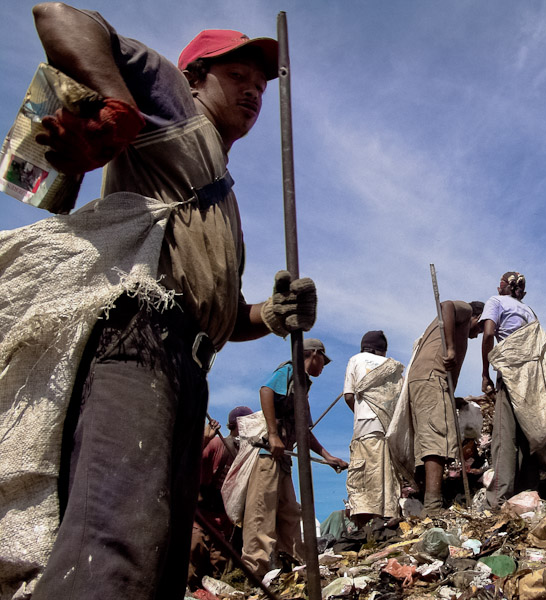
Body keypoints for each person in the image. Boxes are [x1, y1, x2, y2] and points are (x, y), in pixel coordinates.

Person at [1, 6, 319, 599]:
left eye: (260, 85)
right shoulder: (172, 105)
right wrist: (118, 105)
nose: (252, 92)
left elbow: (216, 314)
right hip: (137, 343)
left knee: (156, 564)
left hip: (185, 364)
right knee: (115, 546)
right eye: (237, 76)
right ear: (195, 76)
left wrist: (271, 316)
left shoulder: (220, 190)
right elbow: (62, 16)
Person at [241, 339, 348, 578]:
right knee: (262, 514)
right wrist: (272, 434)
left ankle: (295, 567)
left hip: (283, 460)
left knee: (290, 513)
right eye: (323, 360)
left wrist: (328, 457)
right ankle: (253, 574)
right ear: (313, 354)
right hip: (267, 456)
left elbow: (303, 431)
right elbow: (266, 390)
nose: (324, 366)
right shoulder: (289, 371)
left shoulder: (303, 386)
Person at [406, 301, 485, 514]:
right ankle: (432, 507)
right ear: (476, 317)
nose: (477, 335)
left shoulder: (456, 328)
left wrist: (452, 398)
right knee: (436, 439)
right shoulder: (466, 310)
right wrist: (450, 348)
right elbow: (446, 305)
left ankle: (426, 502)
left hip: (427, 380)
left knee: (427, 440)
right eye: (479, 327)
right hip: (433, 377)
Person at [480, 271, 540, 509]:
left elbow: (488, 333)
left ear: (502, 287)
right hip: (533, 375)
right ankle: (528, 493)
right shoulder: (530, 311)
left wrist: (485, 373)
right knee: (528, 435)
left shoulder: (495, 302)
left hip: (511, 372)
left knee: (504, 436)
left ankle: (499, 499)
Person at [342, 330, 402, 526]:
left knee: (362, 479)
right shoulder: (393, 366)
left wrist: (361, 413)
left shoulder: (356, 359)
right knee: (387, 477)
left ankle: (367, 525)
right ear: (382, 350)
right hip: (390, 431)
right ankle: (388, 518)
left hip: (365, 429)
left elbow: (349, 396)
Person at [188, 407, 252, 590]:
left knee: (219, 571)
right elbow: (190, 461)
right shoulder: (218, 445)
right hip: (201, 518)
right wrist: (205, 439)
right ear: (234, 426)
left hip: (223, 523)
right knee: (194, 557)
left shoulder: (247, 456)